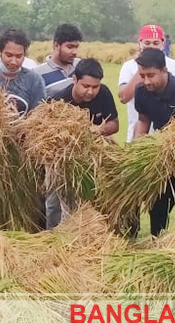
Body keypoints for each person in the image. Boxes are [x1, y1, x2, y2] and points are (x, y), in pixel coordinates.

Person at [45, 58, 119, 229]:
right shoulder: (59, 101)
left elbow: (114, 124)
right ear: (75, 80)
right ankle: (52, 236)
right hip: (62, 158)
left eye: (95, 87)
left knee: (89, 198)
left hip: (93, 156)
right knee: (54, 202)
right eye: (86, 86)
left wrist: (96, 131)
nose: (91, 91)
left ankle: (89, 231)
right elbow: (48, 136)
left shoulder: (104, 93)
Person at [133, 48, 175, 235]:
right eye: (142, 76)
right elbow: (143, 120)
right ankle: (157, 240)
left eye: (151, 75)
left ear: (164, 70)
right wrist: (137, 150)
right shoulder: (141, 91)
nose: (146, 81)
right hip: (162, 153)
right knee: (158, 203)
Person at [118, 25, 175, 142]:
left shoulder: (174, 66)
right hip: (138, 133)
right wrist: (143, 69)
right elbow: (123, 97)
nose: (151, 47)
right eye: (147, 43)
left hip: (167, 138)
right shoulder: (129, 67)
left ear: (163, 44)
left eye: (155, 43)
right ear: (140, 43)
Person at [0, 28, 46, 117]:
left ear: (24, 55)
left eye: (18, 56)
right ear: (0, 52)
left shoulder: (34, 81)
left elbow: (39, 115)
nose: (13, 61)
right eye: (9, 55)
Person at [34, 24, 82, 97]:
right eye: (70, 47)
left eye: (76, 47)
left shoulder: (81, 66)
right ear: (56, 46)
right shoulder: (38, 74)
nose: (75, 52)